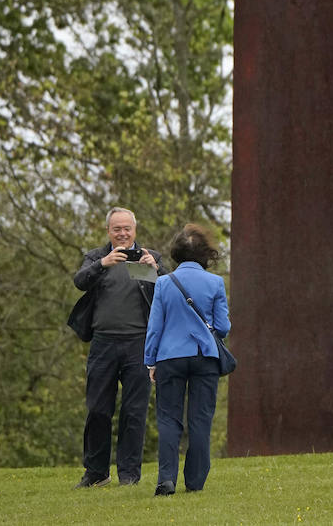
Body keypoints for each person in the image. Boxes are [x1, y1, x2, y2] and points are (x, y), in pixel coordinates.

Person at [72, 207, 165, 489]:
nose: (122, 234)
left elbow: (168, 292)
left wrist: (156, 271)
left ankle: (129, 475)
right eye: (117, 229)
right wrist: (103, 263)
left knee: (134, 412)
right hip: (103, 343)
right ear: (108, 232)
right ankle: (96, 472)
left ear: (135, 230)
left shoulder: (152, 258)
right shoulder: (96, 257)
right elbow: (79, 281)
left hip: (139, 344)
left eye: (127, 229)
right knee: (98, 409)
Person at [144, 223, 231, 496]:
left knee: (169, 419)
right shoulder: (215, 283)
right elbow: (223, 326)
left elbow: (155, 326)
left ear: (176, 253)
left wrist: (151, 360)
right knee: (200, 419)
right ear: (205, 253)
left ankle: (166, 479)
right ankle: (194, 482)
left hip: (170, 357)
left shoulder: (163, 283)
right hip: (204, 356)